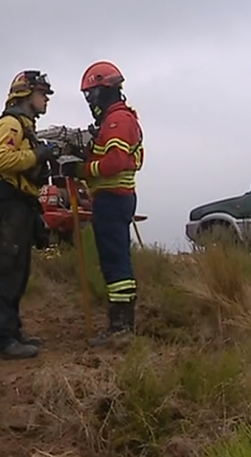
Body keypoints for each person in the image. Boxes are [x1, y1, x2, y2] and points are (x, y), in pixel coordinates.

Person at [61, 60, 145, 347]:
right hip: (113, 198)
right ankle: (121, 326)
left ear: (103, 90)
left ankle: (121, 330)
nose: (89, 101)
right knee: (115, 261)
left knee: (116, 264)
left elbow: (115, 161)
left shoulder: (118, 121)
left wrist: (81, 170)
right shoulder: (117, 119)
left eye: (90, 94)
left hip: (113, 199)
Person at [0, 70, 56, 360]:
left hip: (21, 207)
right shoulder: (11, 124)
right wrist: (38, 156)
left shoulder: (25, 126)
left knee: (19, 272)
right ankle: (3, 340)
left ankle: (13, 332)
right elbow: (1, 160)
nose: (46, 99)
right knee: (8, 272)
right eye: (41, 93)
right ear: (25, 95)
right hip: (8, 207)